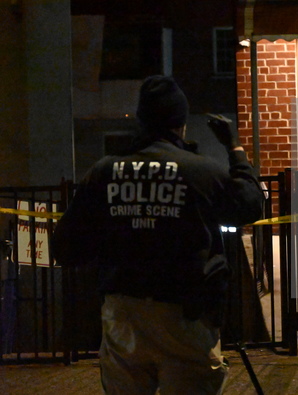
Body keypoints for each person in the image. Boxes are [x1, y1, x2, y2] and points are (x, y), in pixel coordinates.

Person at [53, 75, 264, 394]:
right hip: (185, 314)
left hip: (123, 314)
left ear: (141, 121)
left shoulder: (105, 171)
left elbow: (66, 248)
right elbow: (250, 205)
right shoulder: (198, 170)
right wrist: (234, 148)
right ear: (181, 124)